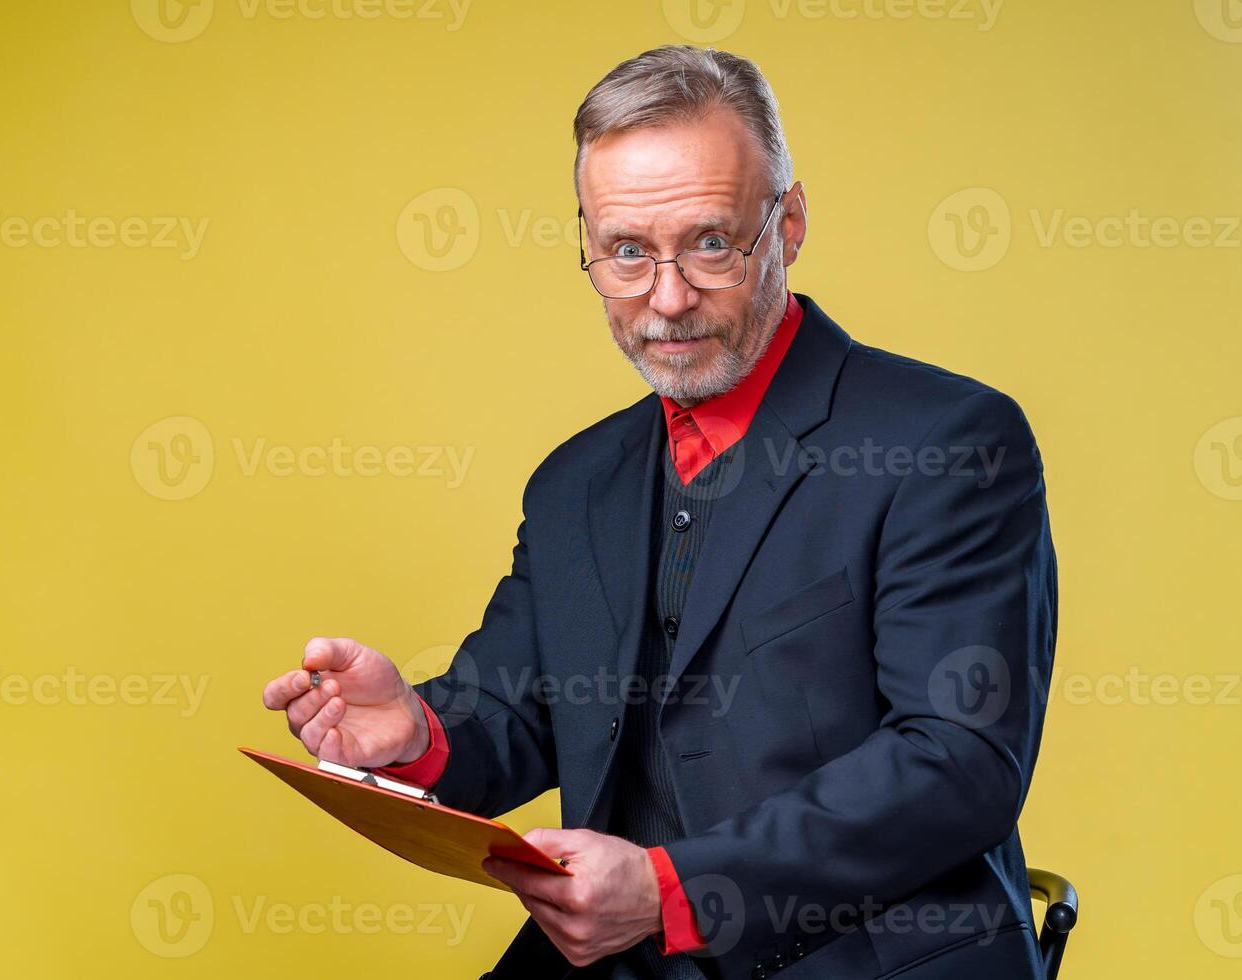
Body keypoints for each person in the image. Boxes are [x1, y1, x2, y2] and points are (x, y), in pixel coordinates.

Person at [263, 44, 1057, 980]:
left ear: (789, 223)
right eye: (628, 253)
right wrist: (416, 730)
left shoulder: (949, 440)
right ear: (591, 246)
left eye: (711, 242)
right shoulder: (575, 483)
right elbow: (524, 711)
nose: (667, 301)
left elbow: (957, 762)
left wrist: (675, 889)